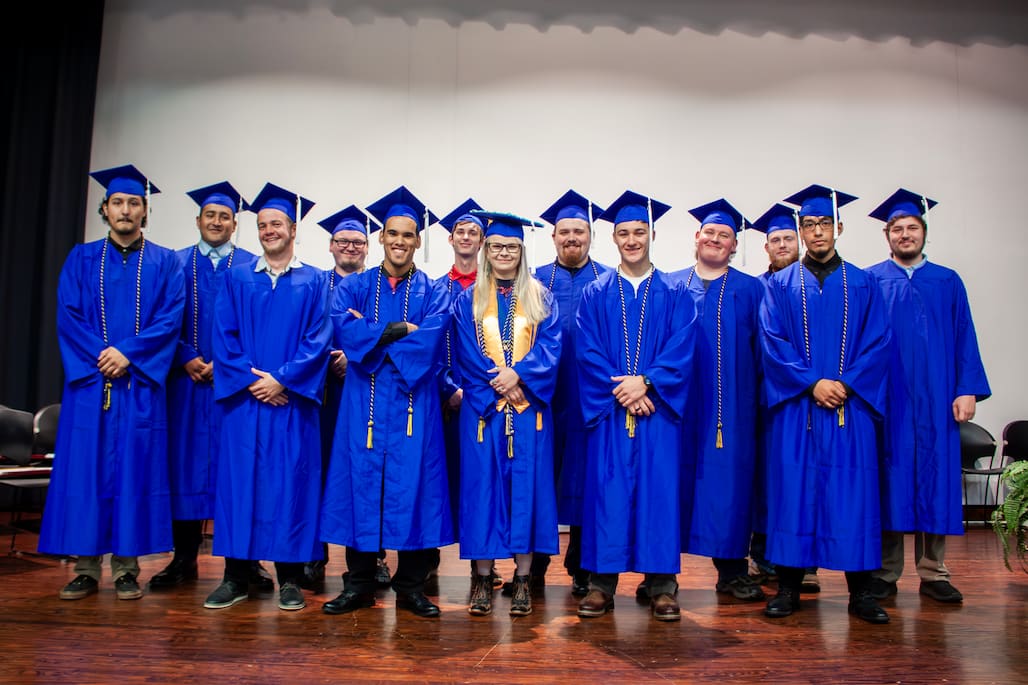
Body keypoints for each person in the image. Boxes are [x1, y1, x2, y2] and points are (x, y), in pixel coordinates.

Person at [40, 164, 185, 601]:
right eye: (118, 203)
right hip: (91, 388)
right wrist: (104, 358)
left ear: (145, 211)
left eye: (134, 204)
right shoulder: (80, 258)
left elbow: (170, 319)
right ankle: (85, 567)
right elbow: (69, 316)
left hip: (137, 387)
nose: (126, 210)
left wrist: (129, 355)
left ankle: (127, 568)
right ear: (105, 209)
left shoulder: (165, 262)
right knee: (85, 473)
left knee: (134, 474)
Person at [760, 184, 892, 624]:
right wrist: (812, 382)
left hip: (847, 409)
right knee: (792, 495)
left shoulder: (864, 282)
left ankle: (861, 594)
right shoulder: (779, 284)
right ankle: (787, 589)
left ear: (838, 228)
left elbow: (878, 342)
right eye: (809, 225)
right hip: (798, 408)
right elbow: (771, 342)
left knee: (852, 496)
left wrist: (847, 384)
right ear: (800, 230)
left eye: (824, 224)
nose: (817, 232)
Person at [320, 186, 453, 618]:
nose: (399, 241)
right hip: (365, 407)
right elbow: (345, 332)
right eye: (392, 233)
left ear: (418, 241)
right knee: (360, 486)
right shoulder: (354, 286)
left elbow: (431, 341)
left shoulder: (435, 290)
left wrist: (375, 334)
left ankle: (411, 587)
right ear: (381, 238)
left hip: (415, 407)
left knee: (416, 489)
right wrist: (400, 330)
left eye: (407, 235)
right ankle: (358, 584)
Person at [204, 182, 331, 612]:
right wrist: (251, 381)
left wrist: (283, 380)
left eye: (276, 223)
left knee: (290, 484)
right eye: (261, 225)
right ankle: (235, 576)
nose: (268, 231)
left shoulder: (314, 281)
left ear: (293, 229)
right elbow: (224, 337)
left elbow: (318, 340)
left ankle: (290, 578)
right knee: (241, 486)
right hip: (245, 403)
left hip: (291, 404)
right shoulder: (238, 278)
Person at [575, 190, 698, 622]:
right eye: (624, 233)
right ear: (614, 238)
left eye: (639, 232)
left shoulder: (676, 292)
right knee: (607, 495)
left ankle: (662, 586)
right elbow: (587, 351)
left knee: (658, 495)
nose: (632, 240)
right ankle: (600, 587)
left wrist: (646, 383)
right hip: (611, 411)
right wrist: (623, 390)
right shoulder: (594, 293)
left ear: (652, 235)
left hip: (657, 411)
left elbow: (683, 347)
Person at [866, 188, 991, 604]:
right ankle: (885, 573)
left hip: (938, 397)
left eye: (912, 228)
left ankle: (934, 571)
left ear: (924, 233)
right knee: (890, 479)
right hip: (891, 400)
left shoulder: (947, 280)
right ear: (887, 235)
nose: (905, 235)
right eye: (897, 229)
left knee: (936, 480)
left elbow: (964, 336)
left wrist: (966, 388)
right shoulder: (871, 281)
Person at [149, 181, 262, 592]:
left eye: (225, 216)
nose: (217, 222)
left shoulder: (252, 266)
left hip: (235, 389)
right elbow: (159, 320)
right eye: (210, 215)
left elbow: (259, 329)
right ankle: (183, 559)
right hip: (187, 386)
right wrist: (186, 356)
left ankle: (245, 563)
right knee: (185, 468)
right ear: (198, 220)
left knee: (238, 470)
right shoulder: (173, 264)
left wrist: (230, 365)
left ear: (235, 224)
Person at [452, 210, 561, 617]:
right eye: (496, 246)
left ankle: (522, 579)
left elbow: (551, 350)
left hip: (529, 411)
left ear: (521, 251)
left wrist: (520, 378)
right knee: (482, 492)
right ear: (485, 250)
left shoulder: (540, 294)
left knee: (527, 492)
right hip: (484, 413)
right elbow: (466, 352)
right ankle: (482, 576)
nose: (503, 253)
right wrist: (499, 386)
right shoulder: (468, 300)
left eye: (511, 247)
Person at [673, 199, 765, 603]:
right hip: (675, 409)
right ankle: (659, 578)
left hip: (731, 410)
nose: (714, 239)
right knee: (669, 488)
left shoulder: (751, 289)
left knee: (728, 490)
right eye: (708, 232)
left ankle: (731, 572)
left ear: (733, 245)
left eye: (723, 235)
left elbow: (766, 351)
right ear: (697, 237)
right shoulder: (670, 284)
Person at [533, 189, 612, 596]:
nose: (571, 238)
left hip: (590, 395)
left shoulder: (608, 281)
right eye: (564, 231)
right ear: (554, 237)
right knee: (541, 477)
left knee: (587, 477)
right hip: (543, 396)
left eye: (578, 231)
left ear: (590, 235)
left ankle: (582, 561)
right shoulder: (534, 281)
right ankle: (535, 566)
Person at [300, 204, 378, 592]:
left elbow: (383, 333)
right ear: (331, 246)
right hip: (322, 396)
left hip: (367, 395)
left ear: (367, 248)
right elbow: (302, 332)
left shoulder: (376, 289)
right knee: (318, 473)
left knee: (364, 477)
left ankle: (370, 559)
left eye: (358, 242)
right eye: (343, 241)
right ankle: (314, 557)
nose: (351, 247)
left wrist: (356, 355)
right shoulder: (314, 285)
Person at [748, 203, 821, 593]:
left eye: (787, 238)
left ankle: (804, 562)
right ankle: (762, 557)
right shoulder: (758, 287)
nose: (781, 244)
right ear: (766, 247)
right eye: (774, 240)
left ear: (800, 240)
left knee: (802, 479)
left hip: (799, 398)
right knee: (765, 480)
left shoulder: (825, 287)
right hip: (762, 397)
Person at [432, 199, 497, 586]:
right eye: (462, 231)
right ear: (451, 238)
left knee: (483, 482)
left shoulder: (497, 289)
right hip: (446, 399)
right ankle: (425, 564)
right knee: (439, 480)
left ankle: (482, 569)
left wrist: (475, 392)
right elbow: (432, 346)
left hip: (486, 401)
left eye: (475, 231)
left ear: (483, 240)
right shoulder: (437, 288)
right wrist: (450, 388)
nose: (468, 237)